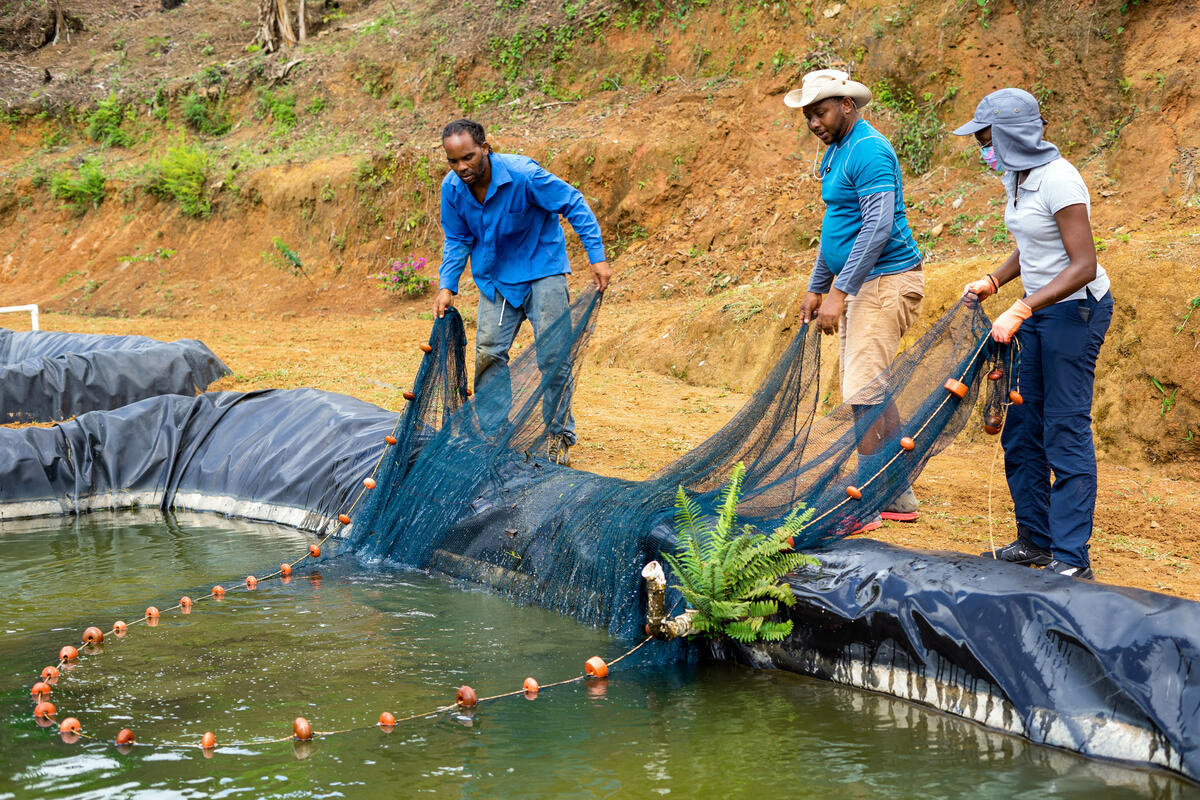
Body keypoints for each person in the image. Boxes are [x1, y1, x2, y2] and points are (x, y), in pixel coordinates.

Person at [955, 88, 1113, 580]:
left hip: (1074, 312)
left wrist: (1020, 306)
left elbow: (1082, 264)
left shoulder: (1060, 180)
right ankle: (1035, 542)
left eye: (987, 142)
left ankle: (1070, 559)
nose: (984, 153)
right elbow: (1032, 244)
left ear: (1014, 136)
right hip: (1039, 311)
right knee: (1023, 428)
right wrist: (995, 281)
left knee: (1064, 429)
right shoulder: (1017, 178)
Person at [787, 69, 926, 529]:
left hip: (886, 281)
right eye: (808, 115)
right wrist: (817, 286)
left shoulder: (869, 150)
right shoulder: (837, 152)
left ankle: (865, 504)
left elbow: (878, 226)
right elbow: (838, 228)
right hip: (862, 281)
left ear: (847, 105)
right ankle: (898, 493)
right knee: (872, 387)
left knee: (864, 389)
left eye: (820, 112)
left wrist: (839, 291)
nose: (813, 123)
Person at [434, 119, 611, 467]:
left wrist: (598, 257)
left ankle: (559, 435)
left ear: (485, 148)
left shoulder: (524, 174)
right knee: (488, 355)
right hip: (496, 278)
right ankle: (495, 435)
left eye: (468, 157)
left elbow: (573, 203)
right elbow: (457, 239)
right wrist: (446, 285)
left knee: (553, 356)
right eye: (453, 161)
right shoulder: (452, 189)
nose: (462, 167)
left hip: (541, 269)